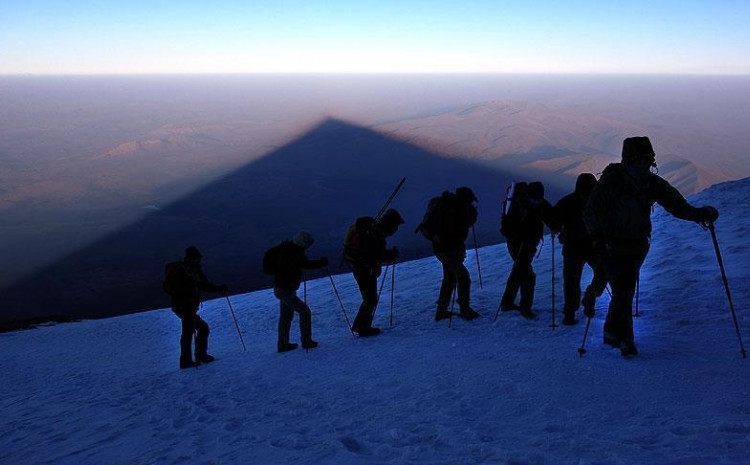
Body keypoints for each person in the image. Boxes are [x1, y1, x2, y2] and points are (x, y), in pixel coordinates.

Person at [583, 136, 719, 357]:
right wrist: (597, 238)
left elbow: (677, 205)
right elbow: (590, 212)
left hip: (636, 246)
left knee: (623, 291)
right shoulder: (611, 183)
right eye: (640, 161)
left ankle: (610, 332)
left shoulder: (651, 183)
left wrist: (699, 214)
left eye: (647, 161)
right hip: (611, 246)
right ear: (627, 161)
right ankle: (626, 341)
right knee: (624, 290)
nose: (644, 166)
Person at [553, 173, 608, 325]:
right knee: (603, 271)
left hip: (572, 247)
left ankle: (570, 312)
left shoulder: (566, 202)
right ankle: (590, 295)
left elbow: (554, 220)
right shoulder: (599, 203)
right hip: (593, 246)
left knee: (571, 280)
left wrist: (557, 229)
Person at [419, 186, 480, 321]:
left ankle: (441, 311)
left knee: (450, 278)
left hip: (443, 248)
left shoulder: (451, 208)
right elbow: (454, 231)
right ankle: (464, 309)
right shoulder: (452, 211)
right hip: (447, 249)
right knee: (463, 277)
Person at [499, 181, 557, 319]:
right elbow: (506, 229)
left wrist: (555, 226)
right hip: (517, 244)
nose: (536, 202)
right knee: (527, 275)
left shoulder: (540, 203)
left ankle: (507, 303)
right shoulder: (519, 205)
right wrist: (521, 234)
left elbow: (550, 217)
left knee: (519, 271)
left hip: (529, 244)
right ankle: (525, 308)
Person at [166, 246, 228, 369]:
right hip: (185, 307)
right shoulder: (187, 271)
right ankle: (190, 360)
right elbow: (203, 285)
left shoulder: (193, 270)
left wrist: (219, 288)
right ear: (192, 258)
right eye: (197, 258)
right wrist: (220, 289)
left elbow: (204, 285)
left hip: (183, 306)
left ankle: (194, 358)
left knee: (195, 330)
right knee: (192, 331)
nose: (199, 260)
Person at [345, 209, 404, 337]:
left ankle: (361, 325)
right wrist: (390, 254)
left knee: (370, 298)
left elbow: (375, 253)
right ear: (389, 225)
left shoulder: (373, 233)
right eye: (395, 227)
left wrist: (388, 254)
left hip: (362, 269)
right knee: (370, 299)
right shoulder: (375, 236)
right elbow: (375, 254)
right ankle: (362, 327)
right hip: (365, 270)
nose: (395, 230)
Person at [270, 231, 328, 352]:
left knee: (286, 316)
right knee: (304, 311)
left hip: (282, 288)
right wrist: (321, 262)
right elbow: (305, 265)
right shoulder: (293, 253)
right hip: (285, 290)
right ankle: (306, 341)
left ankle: (283, 344)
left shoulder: (288, 249)